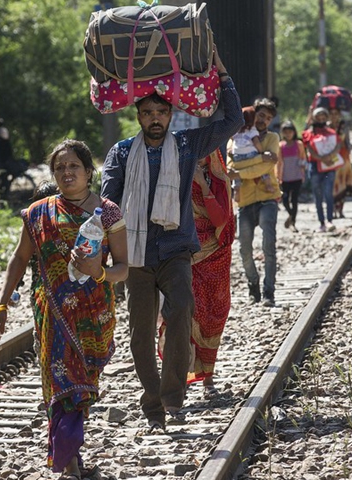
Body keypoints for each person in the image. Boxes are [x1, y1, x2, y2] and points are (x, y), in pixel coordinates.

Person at [101, 49, 243, 430]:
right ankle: (153, 404)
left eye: (161, 113)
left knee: (180, 313)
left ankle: (173, 395)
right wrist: (100, 245)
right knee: (141, 331)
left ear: (170, 115)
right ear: (139, 117)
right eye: (147, 113)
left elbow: (234, 120)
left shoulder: (185, 146)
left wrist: (222, 73)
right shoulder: (122, 152)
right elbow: (107, 204)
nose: (155, 119)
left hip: (176, 249)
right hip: (136, 254)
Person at [0, 140, 129, 480]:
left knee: (81, 386)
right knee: (60, 382)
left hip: (94, 314)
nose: (67, 173)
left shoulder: (108, 212)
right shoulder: (40, 212)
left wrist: (99, 272)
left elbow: (124, 267)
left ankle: (69, 451)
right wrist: (2, 303)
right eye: (60, 168)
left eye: (74, 167)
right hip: (52, 313)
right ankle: (70, 459)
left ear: (88, 171)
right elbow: (20, 259)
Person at [187, 149, 236, 392]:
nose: (197, 157)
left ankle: (208, 374)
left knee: (214, 315)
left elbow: (220, 220)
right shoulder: (176, 178)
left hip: (216, 255)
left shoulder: (219, 181)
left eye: (203, 152)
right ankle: (182, 375)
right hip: (187, 255)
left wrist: (202, 186)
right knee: (188, 312)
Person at [226, 97, 281, 307]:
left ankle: (269, 292)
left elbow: (265, 169)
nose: (263, 121)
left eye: (268, 118)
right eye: (261, 116)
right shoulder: (236, 137)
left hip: (268, 198)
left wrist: (246, 168)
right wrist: (261, 157)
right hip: (245, 200)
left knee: (269, 246)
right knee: (244, 250)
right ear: (253, 114)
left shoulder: (272, 138)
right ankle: (253, 285)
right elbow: (231, 168)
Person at [302, 107, 341, 233]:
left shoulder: (331, 131)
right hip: (315, 166)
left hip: (329, 166)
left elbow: (338, 145)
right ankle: (321, 222)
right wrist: (320, 158)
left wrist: (329, 157)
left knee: (328, 193)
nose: (321, 119)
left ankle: (330, 220)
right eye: (318, 116)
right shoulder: (309, 133)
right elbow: (309, 148)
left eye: (323, 116)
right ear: (314, 117)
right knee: (317, 195)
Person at [229, 106, 274, 203]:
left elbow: (232, 140)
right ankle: (268, 184)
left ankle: (236, 189)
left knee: (235, 173)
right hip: (250, 154)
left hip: (237, 155)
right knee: (261, 166)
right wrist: (261, 153)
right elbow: (256, 142)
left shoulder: (237, 130)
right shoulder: (252, 130)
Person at [277, 120, 307, 232]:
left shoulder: (298, 144)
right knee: (285, 199)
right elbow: (279, 162)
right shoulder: (281, 146)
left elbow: (303, 158)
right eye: (286, 132)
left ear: (294, 132)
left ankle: (293, 222)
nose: (288, 134)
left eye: (290, 131)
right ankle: (290, 215)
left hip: (297, 176)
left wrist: (303, 171)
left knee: (294, 199)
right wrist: (278, 176)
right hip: (285, 177)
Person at [329, 108, 352, 219]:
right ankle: (333, 209)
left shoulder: (344, 127)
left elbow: (348, 142)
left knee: (343, 183)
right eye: (332, 114)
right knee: (333, 184)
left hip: (343, 157)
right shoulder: (326, 127)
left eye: (336, 113)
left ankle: (340, 209)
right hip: (331, 157)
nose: (334, 116)